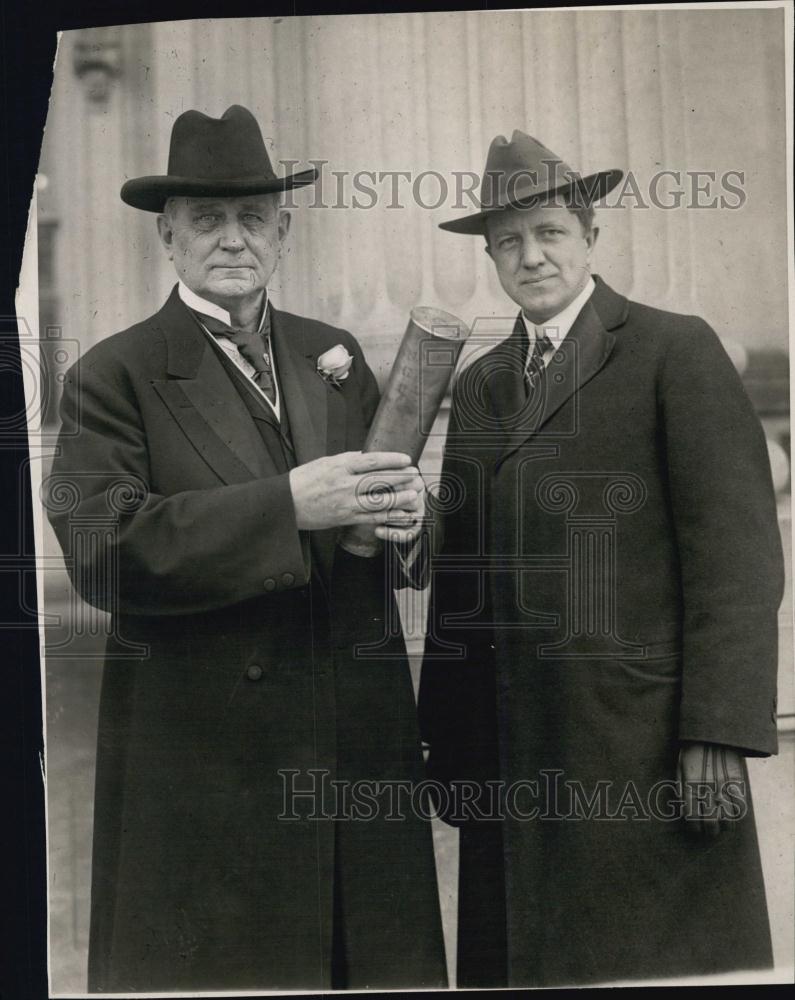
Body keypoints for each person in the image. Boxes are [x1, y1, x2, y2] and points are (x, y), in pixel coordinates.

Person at [45, 105, 447, 993]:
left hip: (353, 740)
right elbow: (103, 546)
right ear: (168, 235)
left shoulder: (331, 352)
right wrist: (284, 507)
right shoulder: (113, 373)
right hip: (209, 758)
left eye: (253, 219)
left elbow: (384, 511)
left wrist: (414, 519)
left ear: (284, 232)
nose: (233, 239)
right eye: (207, 220)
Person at [419, 130, 783, 987]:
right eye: (507, 241)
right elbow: (462, 575)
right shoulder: (481, 384)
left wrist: (716, 731)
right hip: (514, 748)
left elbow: (736, 559)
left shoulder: (671, 349)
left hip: (640, 747)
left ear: (589, 235)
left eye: (548, 232)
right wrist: (452, 736)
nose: (529, 255)